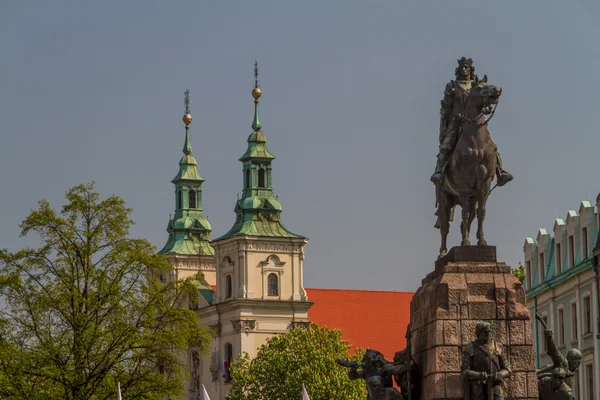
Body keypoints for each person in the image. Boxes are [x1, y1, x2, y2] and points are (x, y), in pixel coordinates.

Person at [431, 57, 513, 187]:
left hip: (475, 122)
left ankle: (499, 171)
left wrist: (486, 108)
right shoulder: (452, 86)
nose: (464, 69)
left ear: (471, 69)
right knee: (446, 147)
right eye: (462, 67)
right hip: (457, 122)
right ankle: (439, 172)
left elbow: (481, 101)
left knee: (491, 146)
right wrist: (444, 128)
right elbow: (446, 108)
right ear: (458, 69)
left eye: (467, 67)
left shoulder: (475, 85)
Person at [461, 322, 512, 400]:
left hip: (495, 387)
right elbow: (465, 371)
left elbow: (507, 368)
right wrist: (478, 375)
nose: (488, 334)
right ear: (478, 333)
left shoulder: (498, 346)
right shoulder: (471, 347)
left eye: (489, 331)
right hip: (478, 388)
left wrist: (500, 374)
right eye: (485, 332)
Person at [535, 312, 582, 388]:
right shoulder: (563, 363)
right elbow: (555, 352)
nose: (579, 364)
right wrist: (549, 338)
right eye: (578, 360)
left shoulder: (569, 372)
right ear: (572, 360)